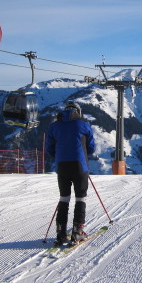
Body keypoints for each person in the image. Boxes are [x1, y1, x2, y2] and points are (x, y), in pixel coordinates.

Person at [46, 101, 96, 245]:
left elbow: (50, 149)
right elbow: (91, 147)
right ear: (78, 112)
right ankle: (77, 232)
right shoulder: (84, 124)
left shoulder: (54, 126)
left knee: (64, 198)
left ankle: (61, 232)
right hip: (80, 165)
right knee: (81, 198)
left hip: (61, 166)